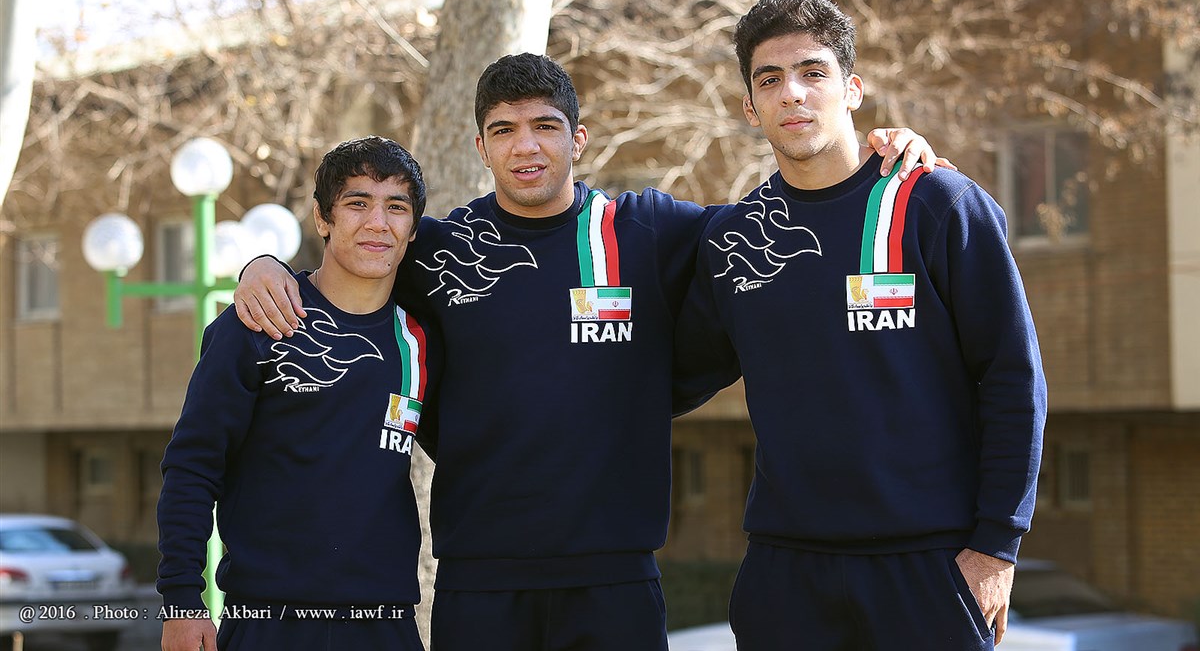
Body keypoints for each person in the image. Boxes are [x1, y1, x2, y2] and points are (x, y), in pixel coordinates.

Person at [233, 53, 945, 651]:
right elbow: (351, 274)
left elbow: (787, 224)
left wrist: (873, 157)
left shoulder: (648, 230)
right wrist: (264, 266)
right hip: (479, 582)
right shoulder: (442, 251)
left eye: (545, 127)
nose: (526, 147)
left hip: (616, 583)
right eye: (504, 130)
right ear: (481, 147)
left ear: (578, 139)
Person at [674, 0, 1047, 650]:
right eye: (770, 79)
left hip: (930, 567)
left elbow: (1013, 377)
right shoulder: (735, 240)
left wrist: (997, 545)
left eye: (812, 72)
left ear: (852, 90)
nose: (792, 93)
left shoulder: (938, 204)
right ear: (750, 107)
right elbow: (662, 378)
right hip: (786, 575)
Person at [157, 137, 438, 651]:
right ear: (322, 218)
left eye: (396, 207)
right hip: (269, 621)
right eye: (358, 203)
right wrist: (181, 600)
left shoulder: (422, 341)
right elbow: (193, 466)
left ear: (414, 228)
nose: (378, 223)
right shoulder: (259, 321)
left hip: (387, 623)